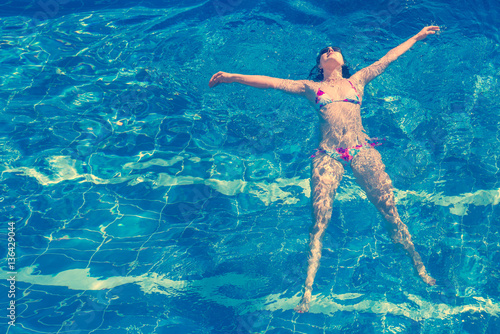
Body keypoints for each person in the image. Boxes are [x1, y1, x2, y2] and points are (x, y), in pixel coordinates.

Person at [209, 26, 439, 313]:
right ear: (320, 65)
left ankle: (418, 266)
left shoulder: (358, 80)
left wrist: (416, 37)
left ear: (342, 60)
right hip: (328, 155)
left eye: (334, 49)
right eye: (324, 51)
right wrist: (233, 77)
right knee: (319, 223)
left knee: (390, 212)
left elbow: (387, 59)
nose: (330, 50)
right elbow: (271, 82)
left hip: (362, 150)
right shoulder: (310, 87)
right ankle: (307, 291)